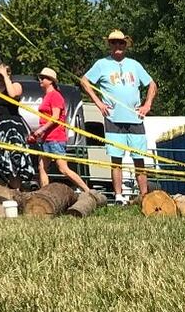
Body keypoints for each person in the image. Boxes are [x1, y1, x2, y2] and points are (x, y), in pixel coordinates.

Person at [80, 30, 157, 202]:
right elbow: (84, 81)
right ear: (109, 45)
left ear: (125, 45)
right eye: (114, 42)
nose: (118, 46)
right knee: (116, 159)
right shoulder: (101, 64)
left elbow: (151, 84)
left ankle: (144, 196)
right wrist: (98, 103)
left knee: (139, 158)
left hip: (135, 118)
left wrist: (147, 105)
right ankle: (119, 196)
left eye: (121, 43)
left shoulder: (135, 65)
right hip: (113, 119)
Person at [29, 67, 93, 194]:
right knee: (42, 167)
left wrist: (41, 130)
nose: (40, 80)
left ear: (51, 81)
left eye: (43, 78)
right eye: (40, 78)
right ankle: (44, 194)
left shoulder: (55, 96)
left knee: (63, 169)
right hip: (46, 139)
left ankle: (87, 191)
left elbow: (55, 117)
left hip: (55, 138)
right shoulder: (46, 96)